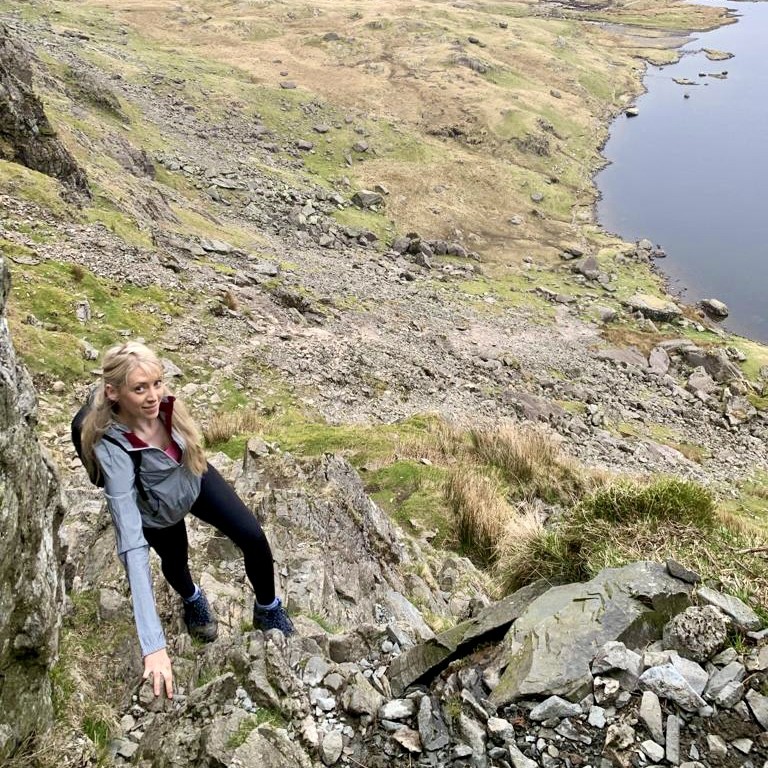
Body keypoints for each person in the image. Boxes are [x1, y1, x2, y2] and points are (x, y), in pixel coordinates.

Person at [79, 341, 293, 699]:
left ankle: (267, 609)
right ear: (113, 393)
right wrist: (153, 645)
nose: (153, 396)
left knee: (253, 537)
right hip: (158, 512)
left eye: (157, 383)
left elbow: (183, 433)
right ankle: (192, 597)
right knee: (176, 565)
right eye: (140, 388)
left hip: (194, 478)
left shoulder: (165, 406)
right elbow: (132, 545)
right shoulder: (112, 448)